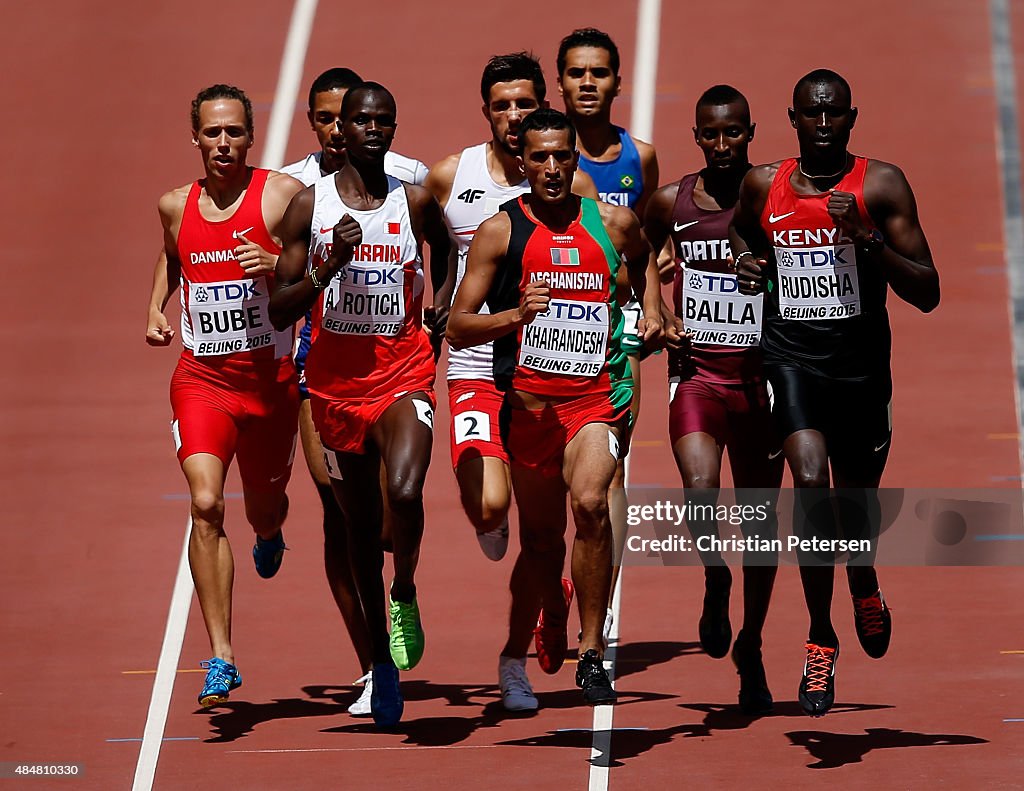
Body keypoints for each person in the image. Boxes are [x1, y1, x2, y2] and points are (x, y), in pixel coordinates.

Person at [730, 69, 939, 716]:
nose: (824, 125)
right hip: (790, 360)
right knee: (809, 478)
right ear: (792, 119)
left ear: (852, 118)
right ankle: (821, 637)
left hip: (860, 370)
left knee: (854, 504)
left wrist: (867, 237)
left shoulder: (880, 184)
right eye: (812, 115)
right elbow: (743, 230)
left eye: (835, 115)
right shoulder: (764, 182)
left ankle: (865, 579)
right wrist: (748, 261)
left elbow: (927, 289)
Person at [447, 109, 665, 710]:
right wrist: (516, 315)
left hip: (595, 399)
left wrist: (651, 315)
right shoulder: (500, 231)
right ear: (524, 161)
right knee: (541, 544)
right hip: (529, 408)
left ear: (575, 160)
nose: (550, 167)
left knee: (592, 503)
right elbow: (458, 327)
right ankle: (531, 633)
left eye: (561, 157)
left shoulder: (613, 224)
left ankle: (592, 653)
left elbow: (643, 264)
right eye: (538, 157)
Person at [270, 82, 455, 728]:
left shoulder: (416, 200)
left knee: (405, 491)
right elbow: (280, 305)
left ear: (393, 127)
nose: (372, 129)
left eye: (383, 120)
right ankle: (380, 661)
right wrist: (329, 266)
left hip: (403, 371)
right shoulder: (306, 207)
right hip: (334, 391)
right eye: (360, 120)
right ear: (340, 130)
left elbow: (450, 249)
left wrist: (443, 307)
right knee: (357, 529)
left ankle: (405, 588)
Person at [145, 84, 304, 707]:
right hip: (202, 384)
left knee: (265, 508)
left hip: (270, 388)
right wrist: (155, 306)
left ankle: (269, 532)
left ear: (250, 135)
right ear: (196, 138)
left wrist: (275, 262)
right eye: (212, 133)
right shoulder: (173, 204)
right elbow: (172, 256)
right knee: (206, 502)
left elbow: (318, 262)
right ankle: (220, 657)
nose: (223, 144)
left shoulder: (281, 196)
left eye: (234, 131)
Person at [425, 53, 597, 564]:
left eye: (525, 103)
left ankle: (561, 597)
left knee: (561, 507)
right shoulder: (449, 177)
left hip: (550, 366)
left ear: (544, 106)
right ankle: (492, 522)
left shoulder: (568, 182)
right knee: (489, 506)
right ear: (486, 111)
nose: (515, 115)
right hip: (476, 365)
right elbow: (420, 244)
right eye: (503, 106)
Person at [644, 85, 782, 715]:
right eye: (710, 134)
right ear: (696, 136)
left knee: (759, 529)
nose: (723, 145)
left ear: (751, 132)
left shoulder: (775, 198)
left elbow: (814, 274)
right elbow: (635, 251)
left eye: (734, 133)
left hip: (761, 382)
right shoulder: (672, 202)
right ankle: (712, 574)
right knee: (699, 491)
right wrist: (653, 302)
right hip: (698, 375)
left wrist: (773, 276)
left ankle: (751, 645)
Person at [556, 27, 661, 641]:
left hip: (615, 325)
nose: (588, 82)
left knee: (614, 466)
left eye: (599, 72)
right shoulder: (548, 157)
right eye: (577, 72)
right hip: (552, 327)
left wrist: (653, 306)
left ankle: (603, 593)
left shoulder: (638, 156)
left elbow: (647, 239)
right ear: (561, 83)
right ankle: (563, 569)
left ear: (618, 82)